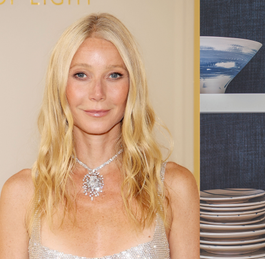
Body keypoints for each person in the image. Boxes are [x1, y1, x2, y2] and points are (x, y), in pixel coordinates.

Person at [0, 13, 199, 258]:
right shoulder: (21, 193)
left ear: (132, 86)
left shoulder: (173, 187)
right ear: (60, 85)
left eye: (114, 75)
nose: (98, 93)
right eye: (81, 75)